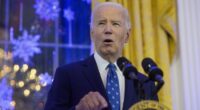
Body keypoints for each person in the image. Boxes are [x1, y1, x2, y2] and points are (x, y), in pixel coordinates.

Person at [44, 2, 157, 110]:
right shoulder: (67, 75)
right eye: (101, 23)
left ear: (127, 35)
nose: (108, 30)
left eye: (115, 24)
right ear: (92, 33)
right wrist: (79, 109)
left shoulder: (145, 84)